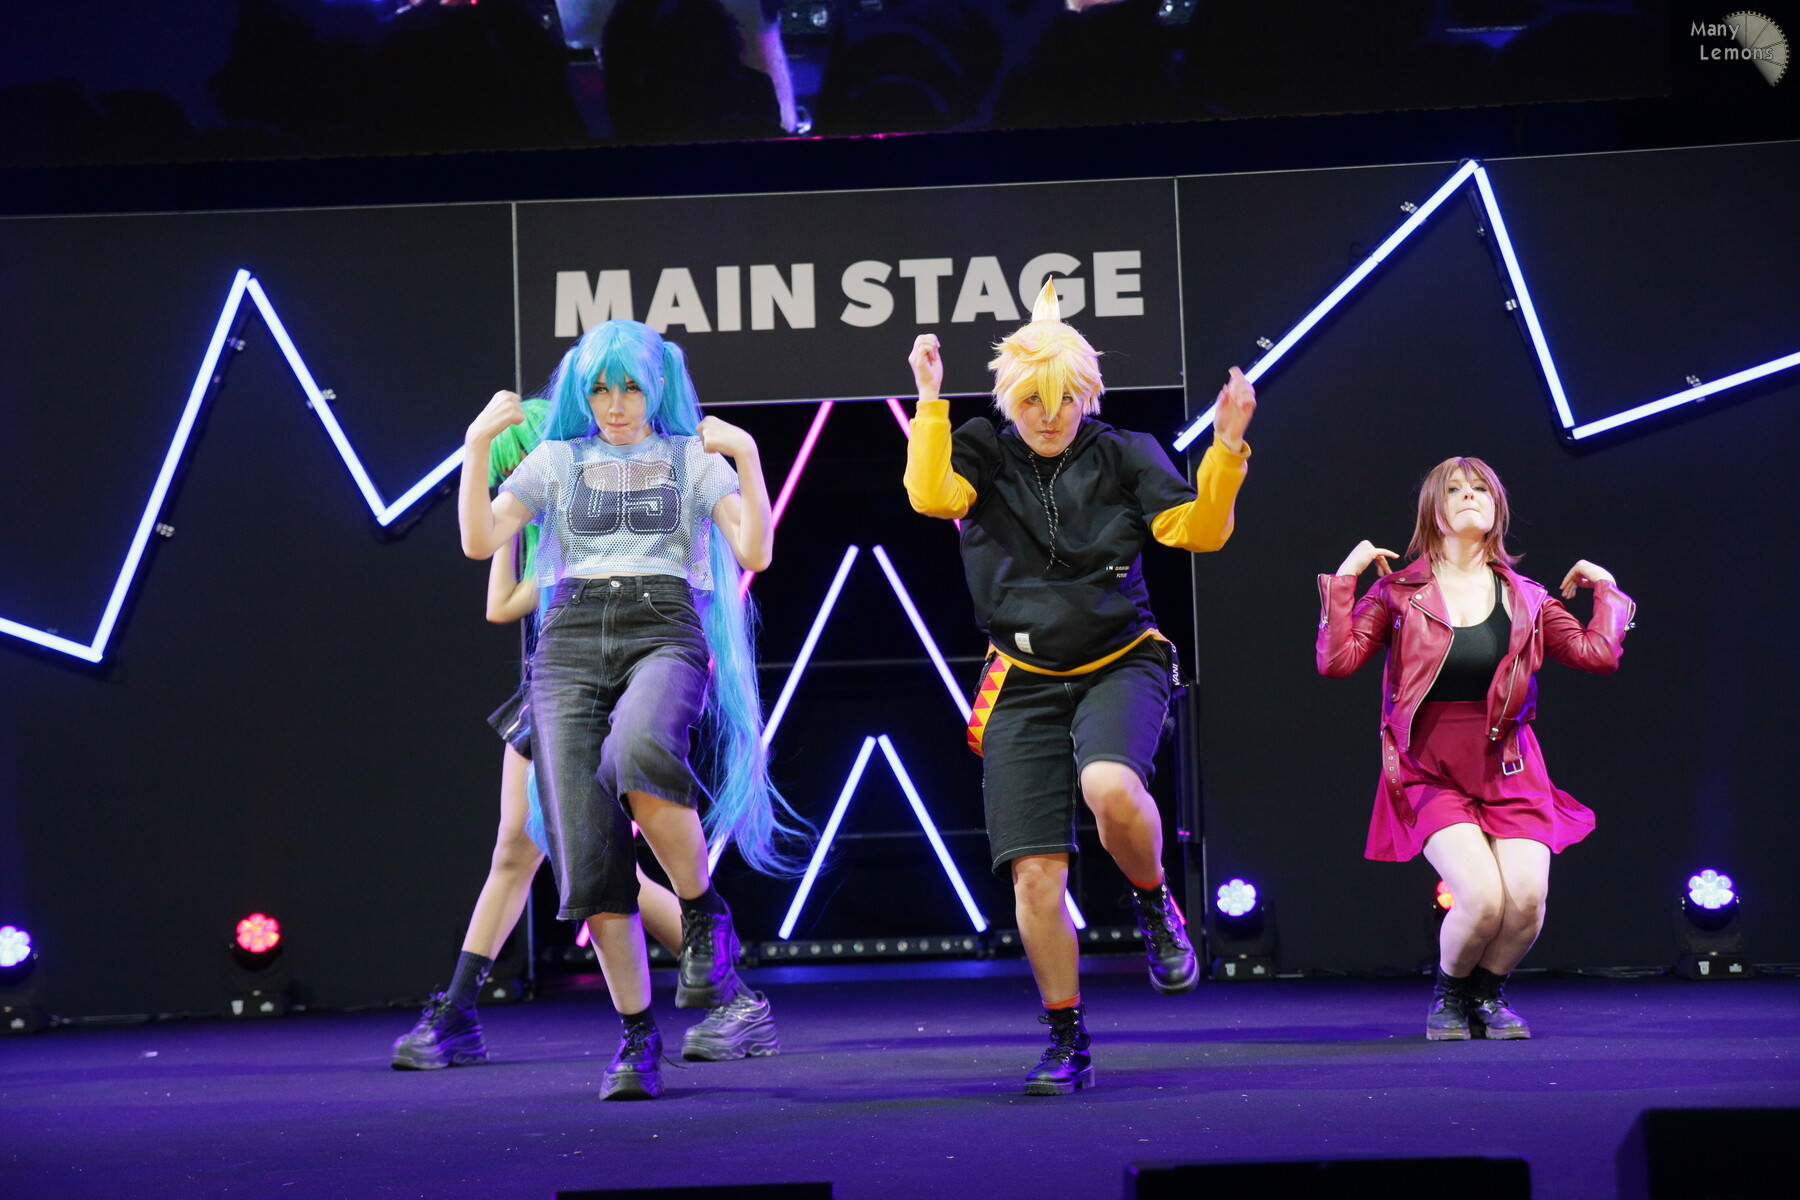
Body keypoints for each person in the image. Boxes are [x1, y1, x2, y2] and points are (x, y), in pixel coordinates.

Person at [902, 279, 1257, 1095]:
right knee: (1035, 874)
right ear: (1011, 398)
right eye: (1033, 399)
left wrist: (1228, 448)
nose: (1050, 414)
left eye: (1064, 398)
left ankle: (1153, 900)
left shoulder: (1125, 452)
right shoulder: (983, 449)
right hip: (1020, 676)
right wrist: (928, 400)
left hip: (1120, 658)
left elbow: (1197, 530)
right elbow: (931, 496)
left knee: (1110, 787)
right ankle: (1067, 1038)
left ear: (1087, 393)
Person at [457, 319, 802, 1100]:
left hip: (663, 627)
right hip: (569, 642)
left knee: (639, 748)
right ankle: (638, 1037)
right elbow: (482, 543)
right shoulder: (556, 460)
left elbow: (754, 552)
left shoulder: (688, 458)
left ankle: (703, 915)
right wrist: (479, 446)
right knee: (588, 856)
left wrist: (747, 456)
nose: (615, 404)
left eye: (631, 388)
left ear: (658, 387)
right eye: (601, 389)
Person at [390, 399, 779, 1070]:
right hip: (554, 684)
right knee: (522, 850)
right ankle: (458, 1011)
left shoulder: (609, 510)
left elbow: (508, 599)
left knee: (587, 858)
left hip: (612, 677)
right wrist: (514, 511)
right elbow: (499, 599)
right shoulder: (547, 509)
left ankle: (730, 994)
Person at [1316, 456, 1634, 1040]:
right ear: (1432, 510)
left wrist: (1607, 589)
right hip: (1428, 768)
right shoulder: (1398, 593)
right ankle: (1448, 996)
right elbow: (1337, 661)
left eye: (1481, 489)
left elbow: (1598, 655)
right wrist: (1346, 577)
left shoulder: (1527, 597)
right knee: (1483, 898)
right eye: (1455, 489)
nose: (1469, 496)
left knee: (1527, 900)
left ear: (1496, 509)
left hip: (1510, 766)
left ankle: (1485, 995)